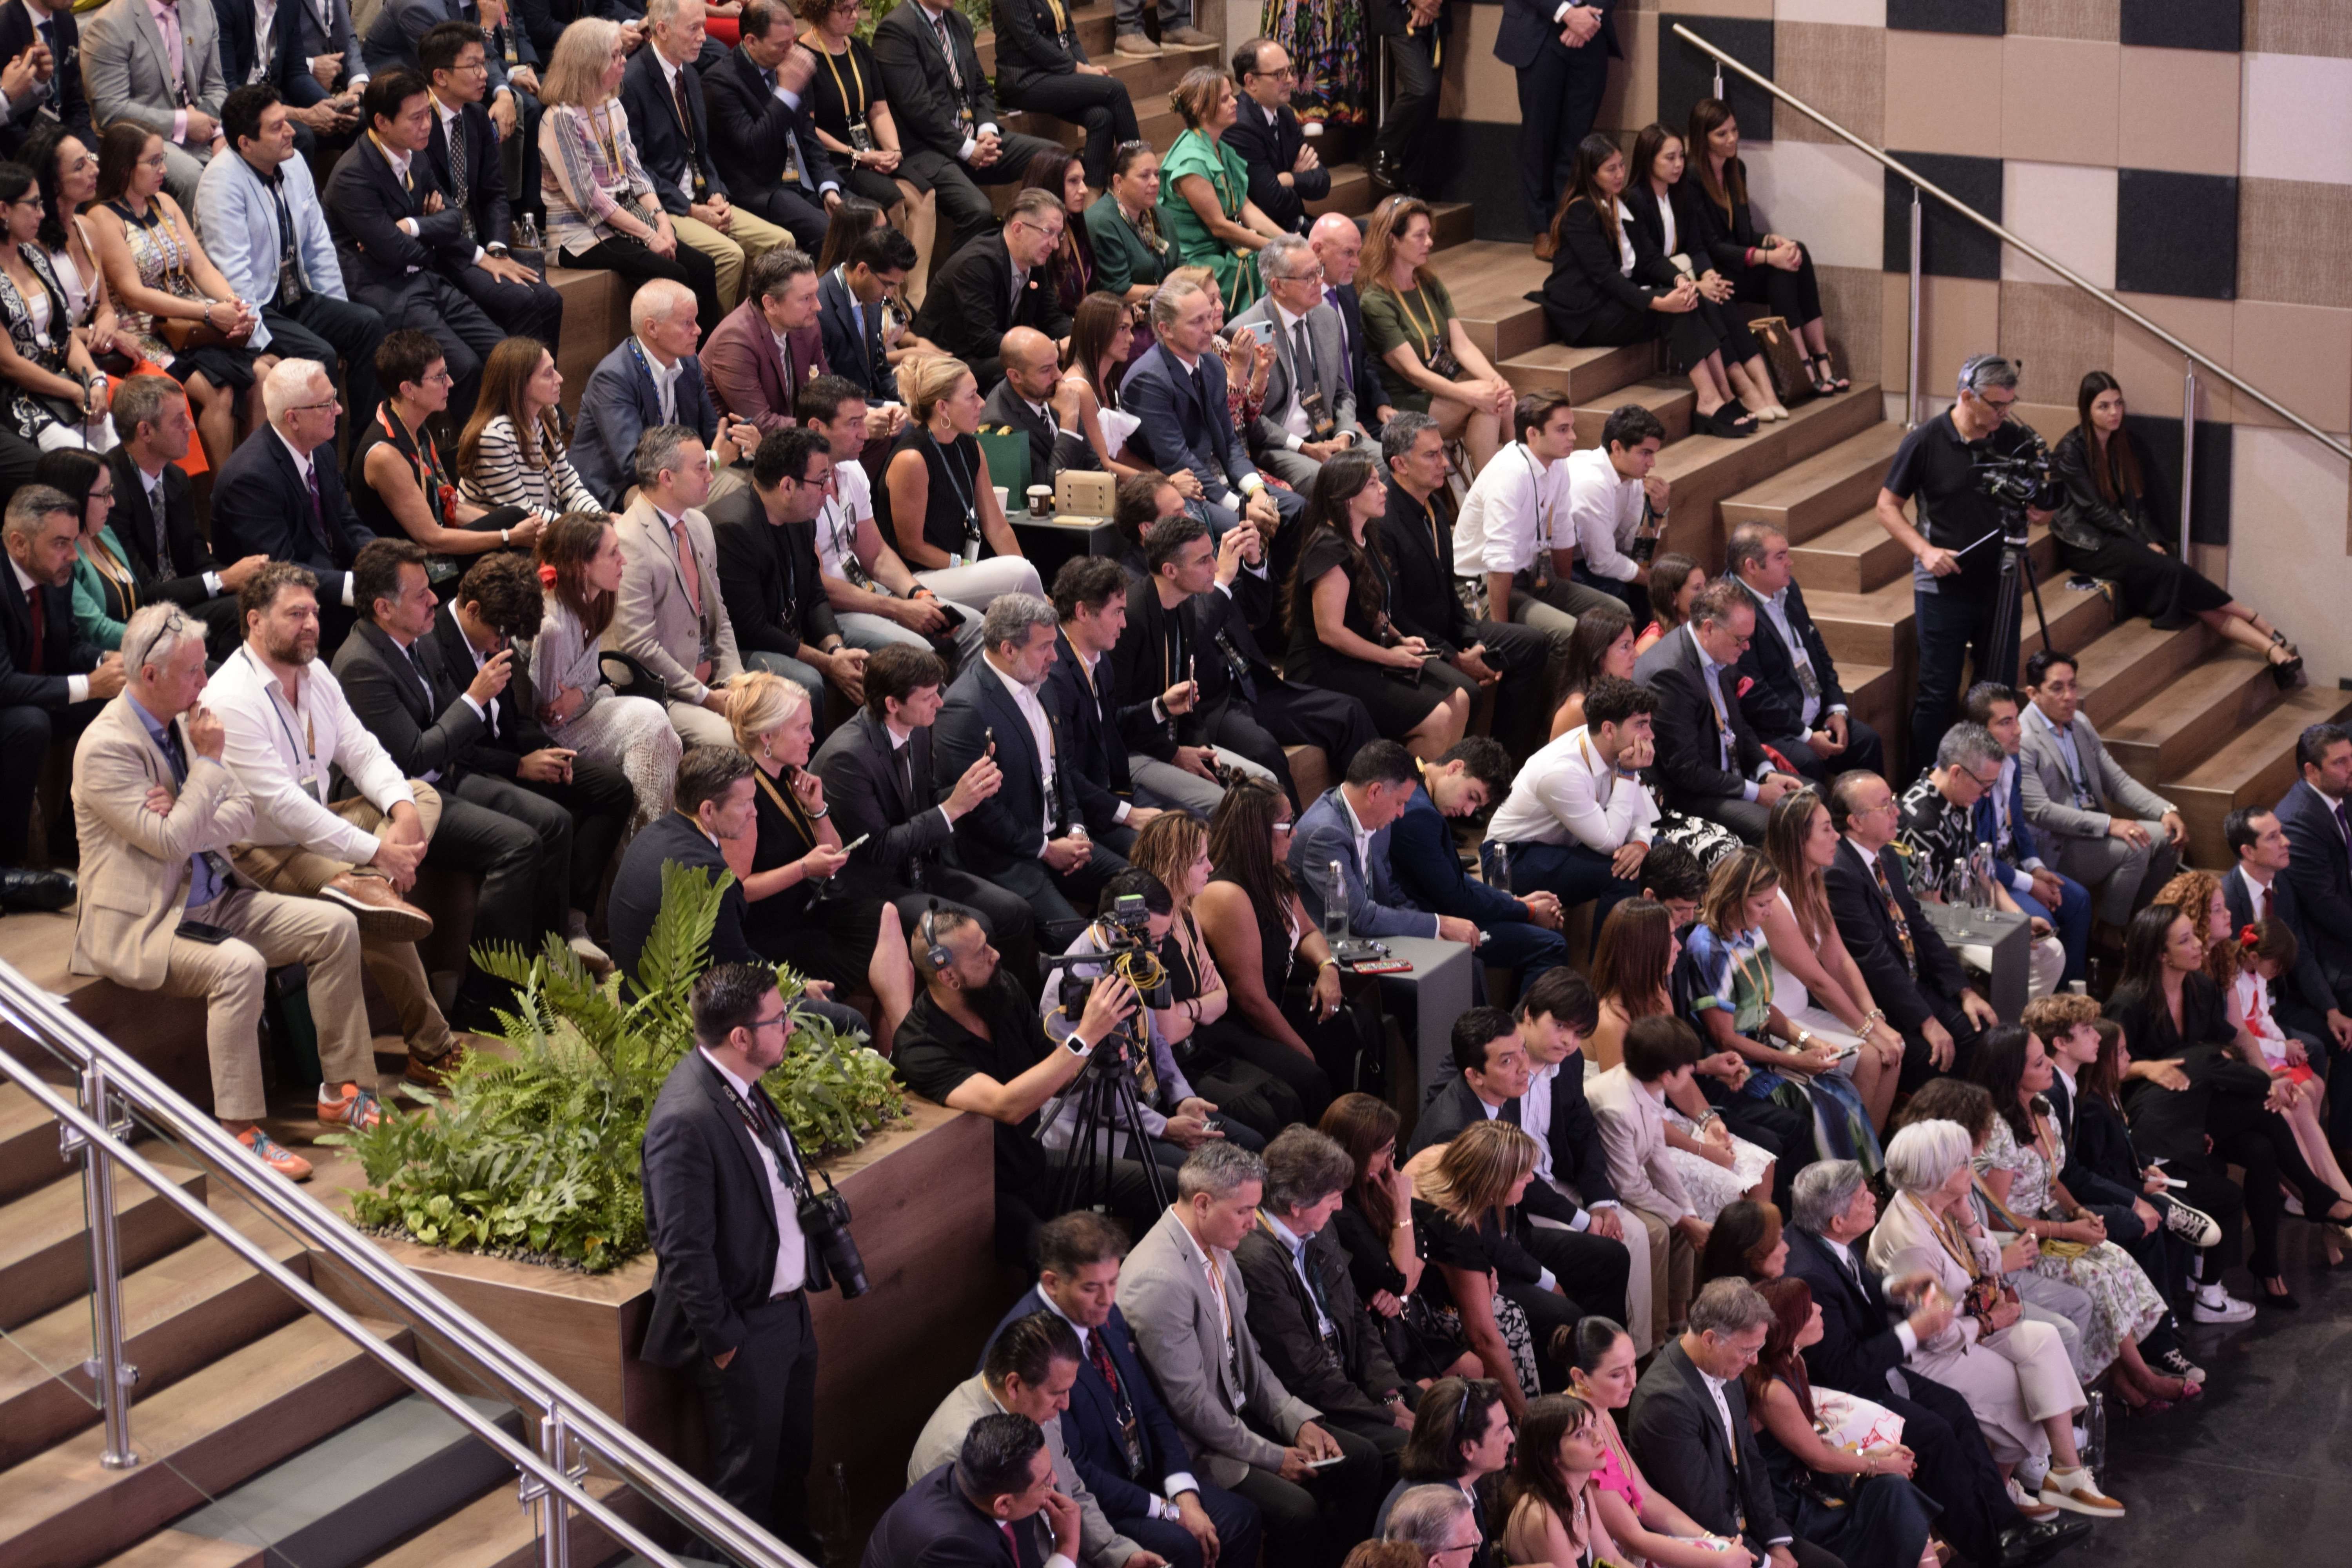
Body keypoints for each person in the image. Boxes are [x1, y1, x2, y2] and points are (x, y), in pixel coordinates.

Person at [65, 598, 375, 1175]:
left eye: (205, 666)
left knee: (335, 924)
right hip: (148, 922)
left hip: (218, 898)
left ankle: (343, 1090)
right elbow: (167, 843)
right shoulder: (106, 747)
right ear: (150, 676)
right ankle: (240, 1130)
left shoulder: (189, 716)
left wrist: (186, 811)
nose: (206, 681)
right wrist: (205, 772)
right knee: (240, 967)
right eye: (193, 671)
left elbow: (239, 812)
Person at [207, 562, 476, 1091]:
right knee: (366, 907)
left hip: (322, 823)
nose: (311, 624)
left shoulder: (315, 673)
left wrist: (399, 816)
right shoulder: (231, 698)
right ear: (255, 621)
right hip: (260, 847)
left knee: (418, 795)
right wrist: (378, 853)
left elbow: (363, 751)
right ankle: (433, 1046)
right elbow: (284, 807)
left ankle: (374, 884)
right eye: (295, 614)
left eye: (314, 611)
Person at [1782, 1160, 2085, 1568]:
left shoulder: (1823, 1239)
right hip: (1841, 1395)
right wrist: (1916, 1329)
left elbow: (1857, 1285)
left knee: (1955, 1411)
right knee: (1935, 1433)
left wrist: (1896, 1288)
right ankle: (1993, 1550)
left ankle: (2012, 1527)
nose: (1874, 1197)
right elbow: (1843, 1368)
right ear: (1838, 1220)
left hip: (1874, 1369)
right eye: (1862, 1197)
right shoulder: (1809, 1273)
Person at [329, 537, 583, 1013]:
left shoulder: (414, 643)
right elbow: (411, 755)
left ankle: (548, 967)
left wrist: (510, 748)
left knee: (555, 822)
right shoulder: (362, 664)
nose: (432, 600)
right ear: (384, 608)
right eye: (420, 594)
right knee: (519, 843)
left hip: (445, 776)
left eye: (430, 589)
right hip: (398, 799)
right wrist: (475, 698)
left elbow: (448, 733)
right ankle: (486, 999)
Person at [639, 962, 837, 1557]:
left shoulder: (740, 1087)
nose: (792, 1029)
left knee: (790, 1464)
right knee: (743, 1487)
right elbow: (681, 1248)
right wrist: (726, 1340)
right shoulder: (685, 1118)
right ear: (741, 1037)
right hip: (743, 1331)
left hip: (787, 1316)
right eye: (780, 1020)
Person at [1121, 1142, 1385, 1568]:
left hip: (1238, 1415)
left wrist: (1294, 1418)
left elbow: (1248, 1355)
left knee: (1361, 1460)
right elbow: (1192, 1407)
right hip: (1199, 1448)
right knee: (1299, 1511)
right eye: (1245, 1210)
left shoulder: (1218, 1244)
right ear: (1203, 1203)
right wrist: (1273, 1455)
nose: (1254, 1223)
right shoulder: (1159, 1279)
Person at [2103, 899, 2352, 1312]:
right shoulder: (2129, 1002)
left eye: (2196, 935)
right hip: (2158, 1117)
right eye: (2186, 940)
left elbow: (2221, 1047)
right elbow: (2106, 1070)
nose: (2200, 944)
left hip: (2205, 1104)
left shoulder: (2200, 988)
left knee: (2262, 1144)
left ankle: (2271, 1263)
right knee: (2265, 1114)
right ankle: (2315, 1200)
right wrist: (2149, 1067)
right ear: (2162, 953)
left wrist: (2266, 1082)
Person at [982, 1211, 1264, 1568]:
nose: (1107, 1299)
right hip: (1096, 1505)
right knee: (1182, 1546)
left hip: (1144, 1478)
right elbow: (1074, 1470)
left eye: (1113, 1282)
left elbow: (1149, 1406)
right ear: (1053, 1283)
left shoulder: (1102, 1311)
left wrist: (1184, 1494)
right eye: (1091, 1288)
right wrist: (1169, 1512)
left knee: (1241, 1519)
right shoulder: (1029, 1354)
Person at [1867, 1120, 2119, 1517]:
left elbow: (1992, 1265)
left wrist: (1967, 1214)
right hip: (1931, 1356)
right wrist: (1991, 1322)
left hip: (1968, 1325)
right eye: (1965, 1164)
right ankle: (2002, 1491)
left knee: (2044, 1339)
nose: (1974, 1170)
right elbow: (1935, 1334)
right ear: (1937, 1174)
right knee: (2027, 1396)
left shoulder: (1942, 1206)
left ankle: (2066, 1474)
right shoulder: (1909, 1242)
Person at [893, 898, 1161, 1253]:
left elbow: (1057, 1074)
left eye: (988, 943)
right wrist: (1084, 1038)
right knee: (1067, 1262)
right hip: (987, 1193)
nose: (995, 955)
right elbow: (1007, 1106)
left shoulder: (1000, 989)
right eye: (980, 953)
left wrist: (1095, 1055)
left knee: (1166, 1189)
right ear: (948, 976)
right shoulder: (919, 1046)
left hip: (1037, 1162)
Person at [1968, 1024, 2186, 1405]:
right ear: (2012, 1075)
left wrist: (2080, 1211)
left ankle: (2125, 1377)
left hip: (2051, 1228)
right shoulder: (2000, 1131)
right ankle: (2139, 1377)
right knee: (2098, 1277)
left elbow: (2052, 1181)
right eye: (2040, 1062)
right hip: (2020, 1245)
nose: (2051, 1064)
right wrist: (2068, 1230)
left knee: (2117, 1258)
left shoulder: (2043, 1109)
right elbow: (1998, 1219)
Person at [1114, 504, 1370, 813]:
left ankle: (1368, 816)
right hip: (1214, 704)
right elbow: (1127, 715)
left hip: (1251, 683)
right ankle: (1294, 843)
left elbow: (1257, 614)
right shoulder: (1141, 602)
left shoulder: (1187, 587)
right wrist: (1179, 750)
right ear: (1148, 530)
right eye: (1177, 512)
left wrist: (1253, 562)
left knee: (1349, 711)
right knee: (1264, 756)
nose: (1212, 565)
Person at [808, 640, 1039, 976]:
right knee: (979, 929)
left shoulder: (916, 730)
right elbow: (879, 848)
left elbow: (925, 802)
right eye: (929, 696)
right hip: (871, 890)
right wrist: (954, 806)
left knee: (1016, 912)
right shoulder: (846, 759)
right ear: (892, 704)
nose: (940, 702)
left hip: (916, 868)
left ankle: (1016, 1014)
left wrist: (969, 790)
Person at [2052, 371, 2298, 679]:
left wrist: (2150, 540)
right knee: (2174, 573)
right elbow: (2095, 510)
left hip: (2119, 537)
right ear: (2086, 409)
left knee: (2178, 581)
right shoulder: (2070, 450)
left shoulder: (2120, 444)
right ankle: (2254, 618)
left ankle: (2272, 651)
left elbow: (2137, 508)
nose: (2114, 412)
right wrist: (2144, 544)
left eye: (2118, 404)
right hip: (2086, 543)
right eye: (2104, 406)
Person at [1411, 1009, 1635, 1345]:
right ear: (1475, 1075)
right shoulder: (1455, 1133)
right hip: (1476, 1266)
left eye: (1522, 1052)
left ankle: (1610, 1366)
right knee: (1565, 1315)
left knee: (1611, 1257)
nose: (1524, 1067)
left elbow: (1523, 1182)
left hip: (1513, 1233)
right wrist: (1546, 1279)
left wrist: (1583, 1219)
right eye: (1507, 1061)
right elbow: (1480, 1238)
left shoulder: (1503, 1094)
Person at [1875, 354, 2057, 767]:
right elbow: (1887, 507)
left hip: (2002, 580)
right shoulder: (1925, 441)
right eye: (1996, 405)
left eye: (2010, 404)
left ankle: (1982, 777)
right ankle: (1928, 781)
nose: (2004, 413)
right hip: (1943, 583)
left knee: (1996, 689)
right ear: (1966, 396)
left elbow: (2041, 509)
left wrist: (2040, 512)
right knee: (1938, 693)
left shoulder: (2012, 439)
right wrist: (1924, 551)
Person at [1537, 135, 1769, 440]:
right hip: (1588, 313)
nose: (1620, 174)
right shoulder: (1580, 212)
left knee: (1693, 297)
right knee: (1674, 309)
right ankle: (1709, 401)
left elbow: (1648, 258)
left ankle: (1725, 394)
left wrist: (1681, 281)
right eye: (1611, 169)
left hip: (1615, 301)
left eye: (1622, 166)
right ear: (1591, 174)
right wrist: (1659, 303)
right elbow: (1607, 277)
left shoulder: (1620, 204)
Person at [322, 70, 517, 423]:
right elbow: (393, 252)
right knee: (465, 367)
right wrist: (432, 240)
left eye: (428, 113)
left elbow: (455, 219)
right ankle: (472, 462)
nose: (428, 125)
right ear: (381, 121)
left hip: (426, 279)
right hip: (386, 290)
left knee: (504, 351)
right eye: (416, 118)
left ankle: (520, 438)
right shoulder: (353, 175)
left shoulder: (417, 153)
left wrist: (413, 226)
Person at [913, 1311, 1174, 1568]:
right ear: (1014, 1386)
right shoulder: (961, 1454)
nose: (1066, 1404)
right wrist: (1067, 1552)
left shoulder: (1037, 1406)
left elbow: (1071, 1492)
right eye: (1058, 1393)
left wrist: (1120, 1556)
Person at [931, 590, 1128, 929]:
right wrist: (1046, 849)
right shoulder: (966, 708)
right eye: (1044, 647)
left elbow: (1062, 767)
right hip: (1007, 857)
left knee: (1139, 887)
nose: (1055, 656)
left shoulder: (1042, 681)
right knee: (1078, 943)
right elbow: (981, 811)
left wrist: (1077, 828)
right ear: (1008, 649)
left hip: (1059, 837)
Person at [194, 84, 387, 429]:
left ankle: (364, 454)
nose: (291, 132)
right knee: (320, 355)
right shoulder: (220, 184)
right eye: (277, 127)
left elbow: (319, 247)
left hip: (296, 295)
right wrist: (257, 346)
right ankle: (322, 469)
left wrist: (338, 309)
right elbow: (233, 277)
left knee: (367, 324)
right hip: (258, 310)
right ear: (245, 143)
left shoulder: (294, 162)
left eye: (287, 121)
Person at [1230, 1124, 1418, 1470]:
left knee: (1450, 1413)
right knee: (1418, 1449)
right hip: (1317, 1403)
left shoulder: (1320, 1225)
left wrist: (1390, 1396)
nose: (1340, 1204)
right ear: (1296, 1205)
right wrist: (1386, 1417)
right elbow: (1304, 1372)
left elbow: (1358, 1321)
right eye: (1333, 1195)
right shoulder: (1257, 1261)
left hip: (1351, 1382)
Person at [1623, 1279, 1840, 1568]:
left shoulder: (1724, 1366)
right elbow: (1701, 1509)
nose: (1754, 1361)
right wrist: (1766, 1563)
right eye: (1747, 1350)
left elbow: (1752, 1461)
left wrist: (1777, 1541)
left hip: (1742, 1526)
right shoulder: (1665, 1404)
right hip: (1701, 1545)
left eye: (1758, 1348)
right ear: (1710, 1339)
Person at [87, 123, 265, 474]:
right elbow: (135, 294)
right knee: (220, 391)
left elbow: (200, 267)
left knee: (261, 374)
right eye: (153, 162)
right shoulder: (102, 217)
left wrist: (233, 303)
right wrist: (210, 313)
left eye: (163, 159)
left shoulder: (165, 202)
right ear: (125, 168)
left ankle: (255, 485)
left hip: (191, 324)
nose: (164, 170)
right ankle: (223, 498)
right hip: (145, 334)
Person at [1376, 412, 1555, 760]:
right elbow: (1394, 614)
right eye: (1431, 455)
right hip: (1410, 643)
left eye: (1442, 451)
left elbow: (1449, 590)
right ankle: (1462, 776)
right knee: (1468, 689)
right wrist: (1454, 657)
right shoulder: (1384, 520)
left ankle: (1506, 762)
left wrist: (1471, 638)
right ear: (1400, 464)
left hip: (1447, 632)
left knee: (1531, 644)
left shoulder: (1434, 505)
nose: (1445, 463)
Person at [537, 16, 723, 334]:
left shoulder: (612, 105)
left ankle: (703, 369)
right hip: (581, 235)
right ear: (589, 62)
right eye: (615, 56)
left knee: (703, 266)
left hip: (627, 221)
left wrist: (663, 222)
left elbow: (637, 175)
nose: (624, 61)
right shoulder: (560, 119)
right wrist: (650, 235)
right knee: (672, 273)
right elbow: (590, 200)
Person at [1129, 811, 1308, 1140]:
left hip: (1202, 1046)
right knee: (1263, 1119)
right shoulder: (1148, 931)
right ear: (1174, 865)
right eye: (1201, 861)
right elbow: (1166, 1032)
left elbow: (1222, 998)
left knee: (1287, 1098)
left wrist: (1189, 1009)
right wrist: (1202, 1006)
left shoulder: (1186, 914)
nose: (1211, 867)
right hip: (1173, 1068)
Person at [1743, 1278, 1940, 1568]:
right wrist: (1881, 1464)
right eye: (1809, 1311)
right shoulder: (1773, 1391)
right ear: (1791, 1328)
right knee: (1893, 1489)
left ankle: (1925, 1558)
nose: (1820, 1309)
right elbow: (1819, 1459)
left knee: (1893, 1487)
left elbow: (1815, 1444)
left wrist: (1874, 1455)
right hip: (1794, 1507)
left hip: (1812, 1487)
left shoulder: (1795, 1363)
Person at [1823, 771, 1996, 1090]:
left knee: (1979, 1031)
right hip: (1881, 1001)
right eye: (1885, 806)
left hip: (1914, 982)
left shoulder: (1886, 853)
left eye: (1893, 801)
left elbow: (1916, 924)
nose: (1897, 811)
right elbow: (1873, 958)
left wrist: (1965, 990)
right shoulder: (1839, 874)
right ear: (1856, 822)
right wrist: (1926, 1021)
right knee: (1937, 1055)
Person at [621, 0, 797, 314]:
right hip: (665, 203)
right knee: (730, 256)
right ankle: (717, 345)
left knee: (781, 242)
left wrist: (716, 192)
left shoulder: (689, 73)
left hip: (703, 196)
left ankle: (757, 335)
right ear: (662, 30)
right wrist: (690, 209)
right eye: (694, 28)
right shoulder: (633, 81)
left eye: (704, 26)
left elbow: (703, 150)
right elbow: (637, 169)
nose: (704, 36)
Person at [1287, 454, 1468, 757]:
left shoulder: (1364, 534)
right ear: (1347, 498)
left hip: (1358, 656)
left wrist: (1398, 637)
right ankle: (1410, 801)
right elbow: (1330, 632)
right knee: (1438, 718)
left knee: (1459, 700)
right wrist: (1389, 657)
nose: (1384, 489)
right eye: (1372, 484)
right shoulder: (1328, 546)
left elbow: (1370, 607)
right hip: (1324, 667)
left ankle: (1440, 796)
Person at [795, 373, 984, 662]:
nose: (866, 434)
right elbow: (817, 584)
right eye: (854, 424)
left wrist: (917, 594)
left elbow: (877, 554)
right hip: (832, 610)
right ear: (816, 428)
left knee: (974, 627)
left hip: (869, 592)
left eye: (864, 420)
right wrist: (897, 609)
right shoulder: (797, 487)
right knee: (922, 653)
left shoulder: (852, 469)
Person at [1561, 1318, 1777, 1568]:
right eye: (1617, 1374)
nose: (1633, 1382)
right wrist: (1716, 1559)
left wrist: (1710, 1539)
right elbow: (1632, 1539)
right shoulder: (1575, 1438)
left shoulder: (1602, 1412)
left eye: (1633, 1366)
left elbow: (1646, 1498)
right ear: (1580, 1377)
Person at [1758, 789, 1909, 1138]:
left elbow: (1838, 959)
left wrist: (1874, 1017)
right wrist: (1868, 1032)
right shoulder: (1775, 900)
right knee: (1871, 1056)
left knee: (1894, 1048)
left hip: (1803, 1013)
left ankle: (1875, 1168)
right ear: (1799, 839)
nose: (1837, 836)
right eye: (1826, 829)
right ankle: (1855, 1171)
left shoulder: (1813, 882)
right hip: (1780, 1023)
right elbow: (1818, 981)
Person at [867, 0, 1061, 257]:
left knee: (1054, 160)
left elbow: (980, 86)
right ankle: (953, 288)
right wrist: (966, 148)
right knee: (977, 211)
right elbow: (917, 107)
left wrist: (987, 130)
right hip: (928, 148)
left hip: (973, 137)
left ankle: (1038, 256)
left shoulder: (958, 22)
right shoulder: (896, 30)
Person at [207, 359, 374, 653]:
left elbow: (346, 522)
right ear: (293, 418)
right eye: (327, 404)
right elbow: (281, 570)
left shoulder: (319, 449)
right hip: (288, 612)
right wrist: (356, 587)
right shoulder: (250, 479)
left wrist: (381, 563)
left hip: (329, 586)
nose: (339, 410)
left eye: (335, 398)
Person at [2015, 648, 2183, 935]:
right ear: (2033, 693)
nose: (2069, 696)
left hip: (2092, 830)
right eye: (2057, 688)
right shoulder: (2024, 739)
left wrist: (2165, 810)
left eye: (2072, 686)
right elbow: (2041, 812)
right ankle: (2110, 933)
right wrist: (2110, 824)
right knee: (2136, 846)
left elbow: (2116, 780)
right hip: (2057, 846)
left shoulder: (2079, 722)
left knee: (2169, 837)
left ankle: (2141, 927)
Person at [528, 512, 681, 828]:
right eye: (613, 553)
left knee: (667, 736)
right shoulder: (552, 627)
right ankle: (644, 847)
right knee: (651, 723)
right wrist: (579, 696)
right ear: (582, 564)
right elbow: (550, 715)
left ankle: (644, 845)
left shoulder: (593, 598)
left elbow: (590, 681)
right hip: (560, 733)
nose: (623, 560)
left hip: (590, 707)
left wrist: (582, 692)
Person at [416, 24, 564, 347]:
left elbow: (495, 193)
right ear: (440, 76)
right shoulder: (416, 123)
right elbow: (424, 211)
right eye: (474, 66)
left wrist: (497, 246)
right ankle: (519, 393)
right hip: (444, 251)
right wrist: (479, 254)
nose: (485, 74)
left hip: (483, 242)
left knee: (551, 300)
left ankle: (544, 392)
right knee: (521, 300)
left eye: (485, 64)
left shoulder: (477, 117)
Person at [609, 422, 755, 748]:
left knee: (787, 713)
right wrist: (707, 697)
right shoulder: (629, 542)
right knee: (738, 742)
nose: (710, 477)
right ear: (667, 478)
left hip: (712, 679)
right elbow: (640, 647)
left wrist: (735, 679)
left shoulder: (699, 524)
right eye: (701, 468)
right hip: (663, 694)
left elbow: (720, 615)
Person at [92, 376, 259, 661]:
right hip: (141, 617)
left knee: (259, 601)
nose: (191, 427)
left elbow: (196, 557)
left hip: (179, 599)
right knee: (239, 612)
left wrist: (248, 581)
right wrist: (223, 580)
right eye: (179, 420)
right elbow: (141, 592)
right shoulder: (109, 492)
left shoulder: (175, 478)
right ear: (146, 431)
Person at [1686, 100, 1844, 397]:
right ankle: (1803, 365)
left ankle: (1819, 358)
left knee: (1797, 253)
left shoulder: (1736, 169)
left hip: (1740, 265)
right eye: (1722, 134)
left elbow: (1743, 234)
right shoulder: (1693, 177)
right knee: (1779, 268)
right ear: (1702, 137)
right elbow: (1714, 246)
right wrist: (1769, 256)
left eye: (1734, 130)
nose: (1732, 139)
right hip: (1718, 276)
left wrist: (1773, 242)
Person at [1899, 722, 2067, 998]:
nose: (1988, 794)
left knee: (2051, 952)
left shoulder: (1960, 800)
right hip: (1932, 933)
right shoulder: (1921, 824)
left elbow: (1981, 870)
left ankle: (2018, 1026)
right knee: (2015, 959)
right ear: (1956, 773)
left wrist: (2019, 921)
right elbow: (1929, 909)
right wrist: (2001, 933)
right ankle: (2007, 1032)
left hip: (1963, 920)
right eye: (1985, 785)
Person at [1386, 738, 1570, 989]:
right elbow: (1456, 899)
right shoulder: (1418, 812)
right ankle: (1525, 1027)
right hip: (1430, 925)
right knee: (1552, 944)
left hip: (1443, 911)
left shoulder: (1420, 794)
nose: (1469, 811)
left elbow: (1457, 882)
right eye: (1471, 797)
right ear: (1455, 768)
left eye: (1477, 805)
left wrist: (1519, 903)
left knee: (1550, 936)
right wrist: (1529, 911)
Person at [1123, 275, 1296, 539]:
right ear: (1166, 329)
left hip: (1221, 479)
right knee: (1249, 531)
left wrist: (1257, 492)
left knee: (1297, 510)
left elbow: (1229, 441)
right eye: (1196, 321)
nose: (1209, 328)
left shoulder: (1212, 364)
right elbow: (1177, 459)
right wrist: (1241, 508)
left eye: (1208, 317)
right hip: (1187, 493)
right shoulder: (1148, 379)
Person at [711, 422, 864, 720]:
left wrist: (836, 651)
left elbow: (815, 594)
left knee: (882, 654)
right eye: (821, 481)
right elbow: (753, 629)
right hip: (744, 650)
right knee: (808, 683)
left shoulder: (802, 515)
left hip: (790, 632)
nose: (828, 490)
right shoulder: (734, 529)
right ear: (787, 486)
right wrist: (826, 664)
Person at [1632, 578, 1804, 843]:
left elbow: (1738, 726)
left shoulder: (1722, 651)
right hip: (1689, 795)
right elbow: (1686, 770)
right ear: (1709, 629)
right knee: (1773, 827)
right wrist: (1757, 792)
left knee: (1811, 797)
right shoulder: (1670, 675)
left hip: (1727, 776)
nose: (1747, 648)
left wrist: (1766, 772)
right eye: (1741, 640)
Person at [350, 330, 539, 570]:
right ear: (408, 389)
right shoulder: (385, 455)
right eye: (439, 377)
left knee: (517, 517)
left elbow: (450, 507)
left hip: (431, 549)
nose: (450, 383)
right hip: (406, 571)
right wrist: (509, 536)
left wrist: (524, 527)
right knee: (513, 537)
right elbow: (432, 539)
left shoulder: (414, 425)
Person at [568, 278, 760, 510]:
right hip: (621, 487)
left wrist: (743, 443)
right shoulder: (613, 378)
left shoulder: (689, 364)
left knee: (756, 492)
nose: (698, 330)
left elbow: (711, 433)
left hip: (678, 473)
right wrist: (710, 461)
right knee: (700, 509)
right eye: (687, 323)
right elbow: (633, 464)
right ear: (652, 328)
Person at [1586, 1013, 1716, 1349]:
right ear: (1666, 1074)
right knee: (1658, 1231)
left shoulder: (1650, 1087)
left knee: (1686, 1217)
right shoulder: (1617, 1108)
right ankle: (1655, 1337)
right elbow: (1626, 1184)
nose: (1691, 1072)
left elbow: (1658, 1155)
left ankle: (1678, 1318)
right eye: (1687, 1067)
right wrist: (1682, 1220)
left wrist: (1686, 1212)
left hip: (1626, 1179)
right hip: (1601, 1187)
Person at [1487, 675, 1657, 929]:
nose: (1650, 735)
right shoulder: (1562, 771)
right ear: (1609, 729)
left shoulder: (1613, 747)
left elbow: (1641, 814)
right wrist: (1628, 774)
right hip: (1512, 858)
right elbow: (1611, 843)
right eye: (1641, 725)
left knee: (1661, 856)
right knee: (1621, 875)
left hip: (1565, 846)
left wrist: (1642, 844)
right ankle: (1609, 965)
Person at [1359, 196, 1512, 472]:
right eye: (1420, 235)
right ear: (1392, 240)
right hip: (1407, 398)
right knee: (1489, 404)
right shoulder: (1375, 300)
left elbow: (1462, 345)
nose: (1429, 242)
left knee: (1503, 398)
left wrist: (1497, 381)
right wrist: (1471, 395)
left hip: (1444, 387)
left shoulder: (1428, 282)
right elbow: (1412, 372)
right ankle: (1488, 496)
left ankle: (1522, 485)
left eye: (1429, 234)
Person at [876, 351, 1045, 599]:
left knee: (1024, 573)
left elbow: (996, 526)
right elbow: (912, 548)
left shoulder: (970, 446)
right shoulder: (912, 460)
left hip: (955, 569)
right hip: (914, 579)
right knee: (1020, 577)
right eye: (971, 397)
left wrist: (1030, 577)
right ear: (943, 407)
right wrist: (968, 567)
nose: (982, 403)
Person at [1454, 392, 1614, 652]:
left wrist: (1563, 593)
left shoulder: (1558, 463)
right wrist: (1503, 637)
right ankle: (1563, 694)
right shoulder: (1510, 474)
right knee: (1571, 635)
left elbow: (1563, 532)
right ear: (1532, 434)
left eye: (1571, 428)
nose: (1573, 437)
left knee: (1617, 615)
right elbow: (1499, 562)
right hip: (1481, 586)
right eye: (1563, 430)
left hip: (1530, 576)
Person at [1726, 522, 1882, 782]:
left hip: (1813, 709)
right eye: (1781, 557)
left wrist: (1836, 708)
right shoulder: (1733, 609)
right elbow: (1755, 694)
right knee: (1807, 762)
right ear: (1752, 566)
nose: (1791, 563)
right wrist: (1807, 736)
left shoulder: (1788, 587)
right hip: (1773, 729)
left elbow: (1816, 648)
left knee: (1867, 742)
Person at [1289, 739, 1479, 949]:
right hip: (1334, 949)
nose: (1401, 813)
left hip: (1369, 938)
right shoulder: (1324, 835)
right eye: (1400, 803)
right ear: (1375, 792)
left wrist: (1433, 933)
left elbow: (1392, 895)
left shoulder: (1378, 822)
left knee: (1458, 957)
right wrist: (1439, 924)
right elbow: (1359, 917)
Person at [1964, 681, 2093, 991]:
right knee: (2041, 921)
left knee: (2078, 900)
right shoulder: (1971, 776)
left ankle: (2069, 997)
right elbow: (1981, 857)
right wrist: (2030, 884)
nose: (2019, 730)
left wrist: (2036, 868)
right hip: (1985, 879)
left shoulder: (2013, 761)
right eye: (2006, 723)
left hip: (2015, 867)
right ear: (1980, 732)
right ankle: (2039, 1009)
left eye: (2016, 719)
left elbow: (2017, 823)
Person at [697, 0, 846, 267]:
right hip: (764, 186)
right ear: (752, 41)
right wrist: (786, 93)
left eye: (793, 40)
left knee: (870, 219)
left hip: (804, 180)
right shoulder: (720, 81)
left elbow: (809, 137)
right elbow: (754, 145)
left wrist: (828, 186)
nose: (792, 50)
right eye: (782, 45)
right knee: (831, 234)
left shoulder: (788, 62)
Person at [788, 0, 927, 270]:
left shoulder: (860, 49)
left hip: (869, 151)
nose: (854, 15)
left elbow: (879, 110)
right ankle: (891, 287)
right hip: (836, 157)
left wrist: (893, 151)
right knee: (894, 200)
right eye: (845, 9)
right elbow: (809, 127)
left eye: (857, 6)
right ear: (819, 9)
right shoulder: (803, 56)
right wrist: (859, 155)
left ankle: (916, 293)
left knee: (925, 195)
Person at [1042, 555, 1169, 848]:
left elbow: (1111, 726)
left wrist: (1161, 707)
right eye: (1118, 613)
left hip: (1113, 791)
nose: (1124, 623)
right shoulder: (1055, 676)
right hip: (1085, 815)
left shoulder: (1100, 660)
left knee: (1192, 822)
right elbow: (1066, 771)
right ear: (1083, 612)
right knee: (1165, 848)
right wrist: (1129, 815)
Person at [1225, 234, 1362, 490]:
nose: (1320, 282)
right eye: (1309, 277)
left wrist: (1345, 433)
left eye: (1319, 271)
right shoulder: (1244, 333)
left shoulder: (1326, 317)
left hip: (1329, 434)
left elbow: (1343, 392)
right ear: (1278, 286)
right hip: (1279, 446)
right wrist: (1304, 447)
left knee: (1383, 463)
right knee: (1323, 479)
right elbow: (1246, 418)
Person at [865, 1414, 1083, 1568]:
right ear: (1004, 1504)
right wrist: (1067, 1547)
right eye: (1045, 1481)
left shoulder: (989, 1478)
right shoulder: (953, 1549)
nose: (1054, 1480)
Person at [909, 191, 1073, 392]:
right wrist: (1052, 349)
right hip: (945, 363)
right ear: (1019, 229)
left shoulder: (1035, 263)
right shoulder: (977, 264)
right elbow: (985, 340)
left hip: (981, 358)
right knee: (1026, 370)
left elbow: (1052, 318)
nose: (1056, 245)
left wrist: (1080, 340)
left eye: (1059, 235)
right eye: (1048, 232)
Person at [1153, 67, 1280, 316]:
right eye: (1225, 99)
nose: (1235, 102)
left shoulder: (1219, 146)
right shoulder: (1191, 161)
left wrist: (1286, 241)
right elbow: (1219, 226)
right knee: (1272, 267)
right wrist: (1273, 248)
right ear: (1202, 110)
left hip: (1224, 248)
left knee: (1283, 258)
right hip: (1198, 259)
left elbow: (1245, 207)